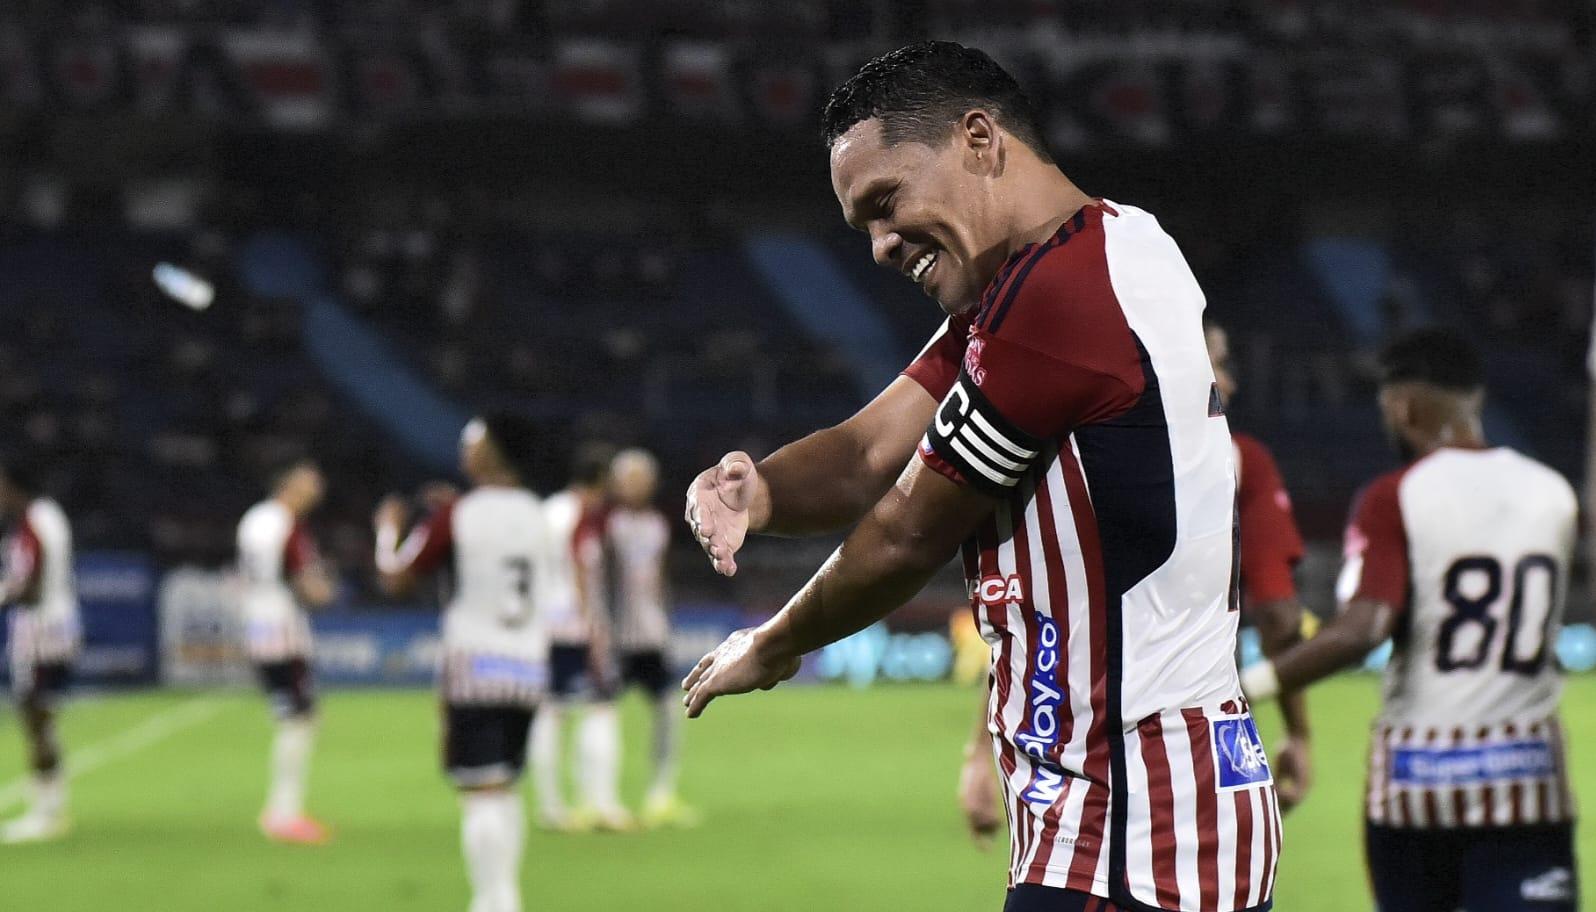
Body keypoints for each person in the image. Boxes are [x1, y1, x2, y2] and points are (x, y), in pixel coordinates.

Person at [682, 41, 1279, 912]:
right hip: (1148, 806)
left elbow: (906, 530)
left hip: (1130, 829)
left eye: (887, 204)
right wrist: (760, 493)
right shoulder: (1090, 255)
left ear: (978, 139)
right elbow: (865, 450)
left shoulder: (1059, 298)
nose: (883, 246)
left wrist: (772, 645)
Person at [1241, 328, 1579, 912]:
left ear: (1403, 406)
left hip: (1419, 785)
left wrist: (1248, 687)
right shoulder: (1552, 492)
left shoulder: (1394, 495)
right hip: (1529, 782)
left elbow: (1364, 629)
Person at [375, 413, 559, 912]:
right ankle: (507, 898)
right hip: (527, 665)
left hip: (475, 664)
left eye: (471, 440)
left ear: (489, 452)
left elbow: (397, 578)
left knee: (480, 791)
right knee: (505, 787)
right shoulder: (536, 512)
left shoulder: (459, 514)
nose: (463, 448)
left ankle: (492, 902)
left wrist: (386, 532)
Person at [527, 443, 631, 832]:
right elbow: (580, 567)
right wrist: (592, 623)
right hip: (573, 625)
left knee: (551, 712)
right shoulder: (580, 517)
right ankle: (600, 803)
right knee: (601, 709)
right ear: (601, 482)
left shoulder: (547, 511)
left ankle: (552, 806)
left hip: (541, 624)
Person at [236, 458, 334, 844]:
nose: (316, 493)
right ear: (289, 485)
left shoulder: (254, 519)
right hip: (282, 628)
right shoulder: (287, 525)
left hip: (256, 622)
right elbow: (306, 584)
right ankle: (283, 812)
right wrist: (327, 593)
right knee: (299, 718)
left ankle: (283, 810)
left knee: (292, 715)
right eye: (310, 485)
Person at [606, 448, 697, 827]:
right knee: (601, 714)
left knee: (668, 711)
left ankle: (661, 792)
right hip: (614, 637)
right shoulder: (607, 525)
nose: (636, 486)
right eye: (629, 478)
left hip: (651, 634)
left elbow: (660, 579)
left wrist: (664, 619)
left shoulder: (658, 525)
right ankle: (601, 796)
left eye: (642, 478)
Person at [0, 458, 81, 844]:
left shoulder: (33, 520)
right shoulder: (51, 515)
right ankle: (52, 806)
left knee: (35, 719)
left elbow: (30, 586)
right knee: (43, 717)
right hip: (61, 624)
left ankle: (45, 812)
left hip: (39, 632)